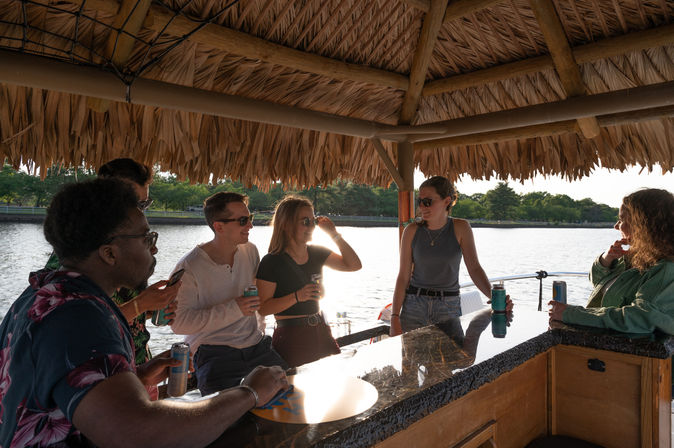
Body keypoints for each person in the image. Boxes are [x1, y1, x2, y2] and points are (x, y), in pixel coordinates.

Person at [0, 178, 287, 447]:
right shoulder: (80, 318)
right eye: (146, 238)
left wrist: (136, 376)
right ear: (109, 254)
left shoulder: (40, 295)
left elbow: (59, 389)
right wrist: (248, 393)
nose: (156, 248)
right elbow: (141, 435)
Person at [45, 158, 179, 369]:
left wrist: (153, 307)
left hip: (132, 362)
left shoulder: (125, 245)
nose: (140, 211)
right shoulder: (73, 257)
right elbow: (80, 327)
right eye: (133, 203)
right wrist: (141, 304)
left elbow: (118, 309)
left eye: (144, 204)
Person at [170, 192, 287, 395]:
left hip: (257, 346)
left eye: (250, 218)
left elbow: (256, 303)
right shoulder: (189, 267)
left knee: (290, 394)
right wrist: (234, 309)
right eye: (243, 220)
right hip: (214, 353)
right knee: (228, 416)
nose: (250, 225)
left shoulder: (250, 251)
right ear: (219, 227)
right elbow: (179, 323)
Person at [256, 195, 362, 368]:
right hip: (291, 335)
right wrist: (297, 296)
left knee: (336, 379)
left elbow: (354, 265)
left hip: (320, 330)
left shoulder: (317, 253)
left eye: (313, 221)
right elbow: (263, 308)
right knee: (300, 391)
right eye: (305, 221)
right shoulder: (271, 262)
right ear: (286, 224)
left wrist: (334, 234)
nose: (311, 226)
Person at [549, 188, 674, 333]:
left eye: (621, 220)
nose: (616, 226)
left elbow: (639, 318)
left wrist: (571, 314)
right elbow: (598, 282)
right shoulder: (636, 257)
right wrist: (606, 259)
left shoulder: (666, 269)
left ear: (642, 225)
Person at [390, 176, 496, 337]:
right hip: (413, 306)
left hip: (448, 306)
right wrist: (394, 317)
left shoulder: (461, 228)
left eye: (428, 201)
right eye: (420, 201)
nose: (422, 206)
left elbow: (474, 268)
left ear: (447, 201)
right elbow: (403, 276)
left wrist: (495, 298)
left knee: (453, 361)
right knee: (411, 361)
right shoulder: (411, 231)